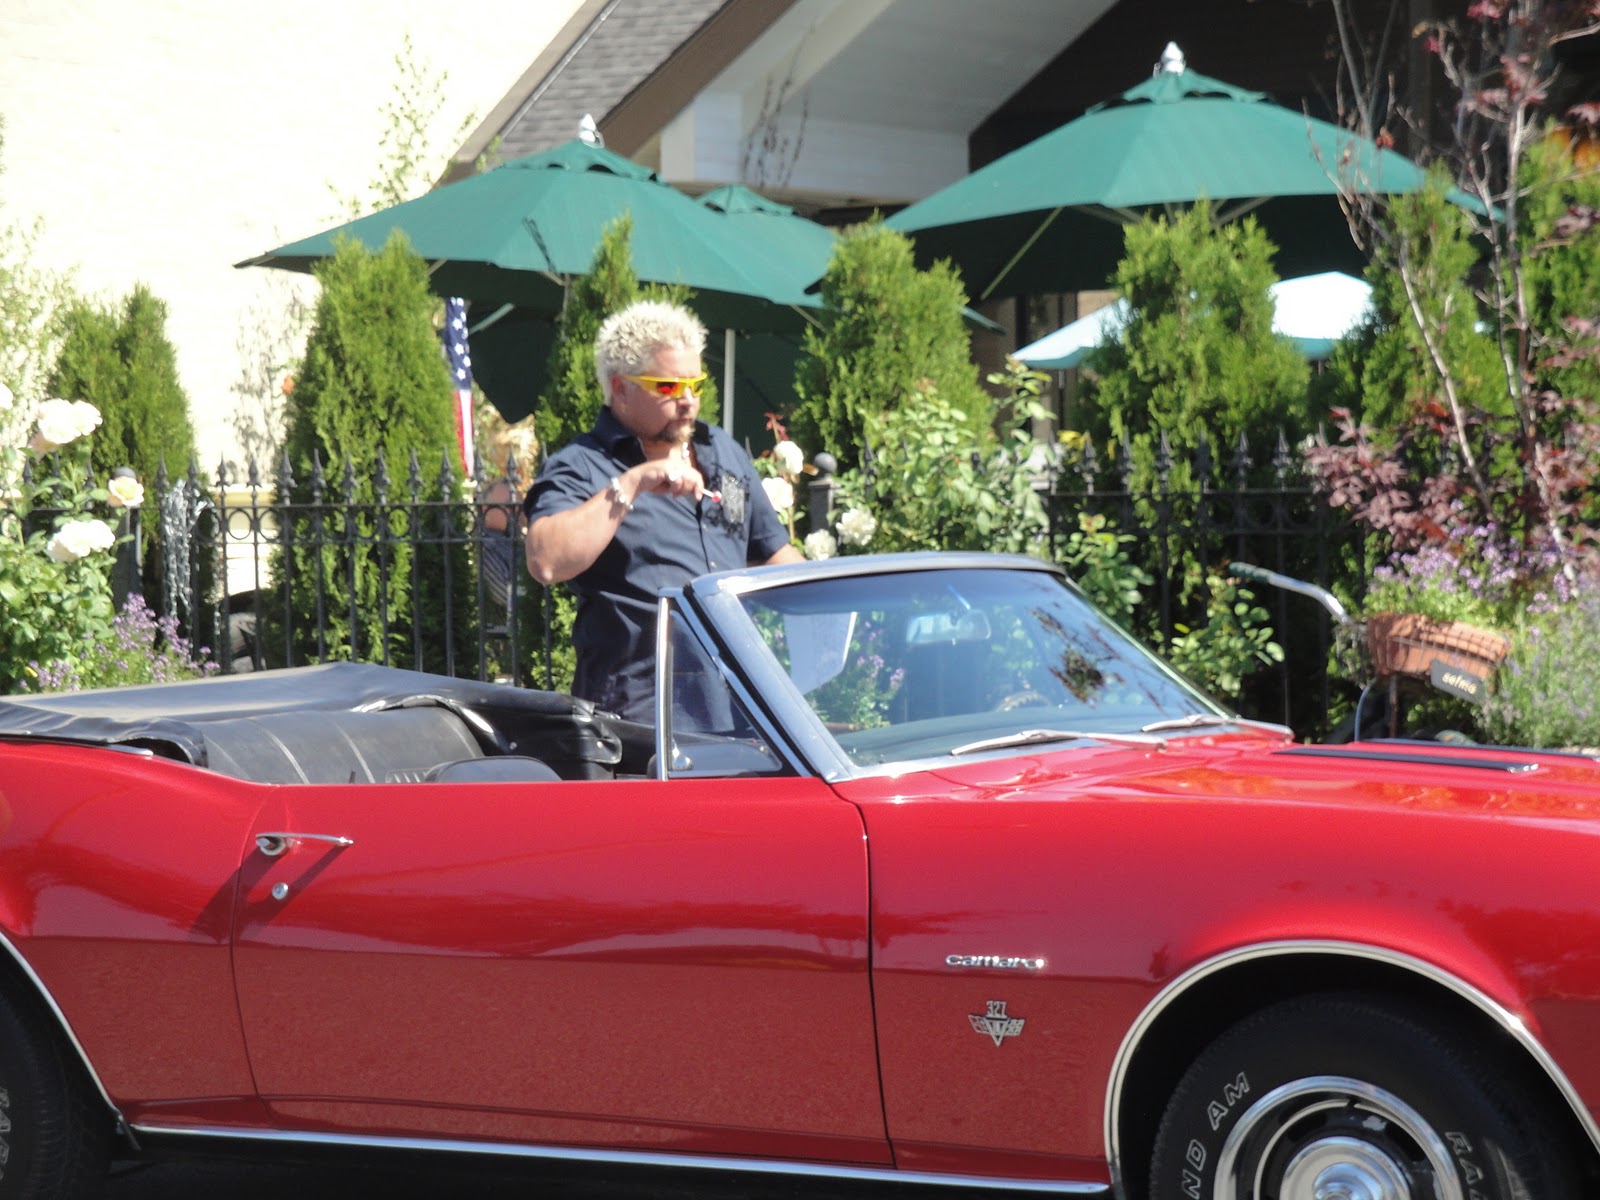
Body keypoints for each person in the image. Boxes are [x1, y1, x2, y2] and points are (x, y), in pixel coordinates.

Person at [523, 299, 803, 721]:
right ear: (621, 388)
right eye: (669, 387)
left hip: (739, 707)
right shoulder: (583, 465)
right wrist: (632, 484)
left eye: (696, 384)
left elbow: (772, 554)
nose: (688, 400)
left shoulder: (721, 450)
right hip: (643, 717)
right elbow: (545, 560)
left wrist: (841, 595)